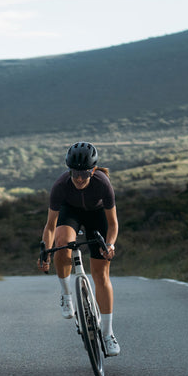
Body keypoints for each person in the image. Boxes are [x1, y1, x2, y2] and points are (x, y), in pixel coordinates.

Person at [37, 141, 121, 356]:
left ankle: (108, 333)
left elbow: (113, 224)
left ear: (93, 170)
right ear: (69, 170)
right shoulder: (60, 186)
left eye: (85, 174)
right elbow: (50, 226)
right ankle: (66, 294)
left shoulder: (103, 183)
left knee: (101, 276)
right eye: (75, 173)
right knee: (62, 243)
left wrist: (110, 244)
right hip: (70, 213)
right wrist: (46, 252)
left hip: (97, 215)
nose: (80, 178)